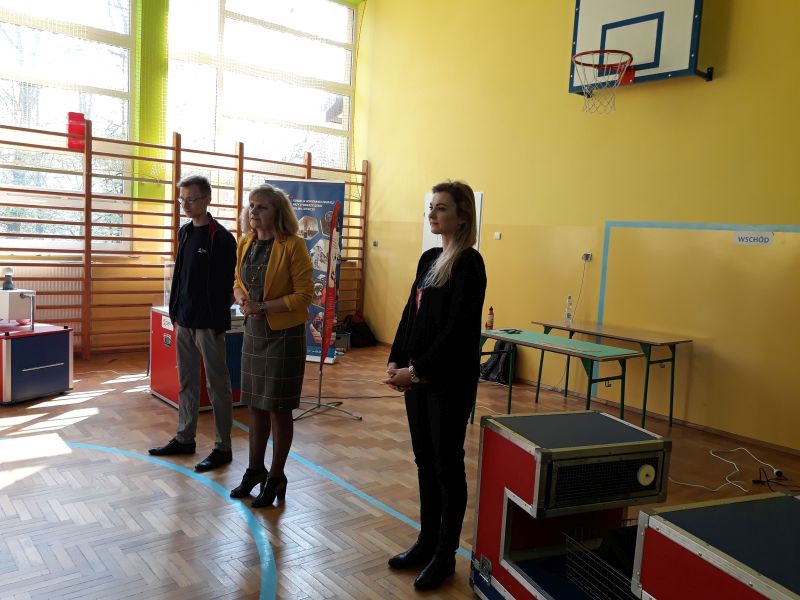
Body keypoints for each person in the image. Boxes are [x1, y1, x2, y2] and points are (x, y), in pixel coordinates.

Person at [382, 180, 487, 590]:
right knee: (424, 460)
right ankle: (426, 542)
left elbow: (458, 331)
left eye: (442, 207)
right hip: (418, 378)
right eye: (431, 207)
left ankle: (446, 554)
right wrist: (396, 358)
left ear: (462, 216)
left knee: (447, 465)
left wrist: (418, 370)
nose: (433, 214)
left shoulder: (469, 264)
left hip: (448, 381)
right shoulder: (429, 258)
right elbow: (411, 315)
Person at [229, 183, 313, 507]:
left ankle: (277, 476)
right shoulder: (245, 242)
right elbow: (237, 282)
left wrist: (262, 306)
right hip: (255, 333)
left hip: (284, 335)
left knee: (278, 408)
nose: (254, 211)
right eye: (251, 205)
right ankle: (255, 470)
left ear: (278, 212)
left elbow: (304, 296)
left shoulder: (293, 245)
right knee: (254, 404)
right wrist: (241, 298)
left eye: (261, 206)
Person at [150, 175, 237, 472]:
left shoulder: (221, 238)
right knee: (187, 382)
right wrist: (175, 312)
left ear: (207, 199)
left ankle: (223, 447)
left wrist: (215, 316)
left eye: (191, 199)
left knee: (217, 386)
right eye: (182, 200)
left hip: (208, 324)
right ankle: (184, 438)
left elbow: (230, 286)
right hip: (184, 320)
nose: (185, 205)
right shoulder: (184, 232)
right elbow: (180, 276)